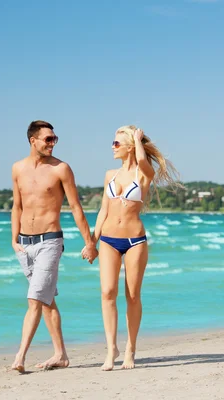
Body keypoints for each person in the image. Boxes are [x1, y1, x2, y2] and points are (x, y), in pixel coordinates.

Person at [88, 125, 181, 371]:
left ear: (130, 146)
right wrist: (92, 242)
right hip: (108, 239)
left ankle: (130, 349)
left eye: (117, 143)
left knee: (132, 295)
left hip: (134, 242)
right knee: (107, 293)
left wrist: (139, 139)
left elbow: (141, 159)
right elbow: (103, 211)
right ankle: (111, 350)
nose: (112, 147)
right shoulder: (110, 175)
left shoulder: (143, 173)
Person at [10, 120, 98, 373]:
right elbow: (17, 206)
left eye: (54, 139)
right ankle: (61, 355)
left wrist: (89, 243)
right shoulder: (17, 169)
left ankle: (19, 358)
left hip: (50, 241)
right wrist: (13, 239)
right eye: (48, 139)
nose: (52, 143)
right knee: (46, 300)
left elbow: (75, 207)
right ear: (32, 140)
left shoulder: (61, 169)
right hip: (25, 245)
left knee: (35, 299)